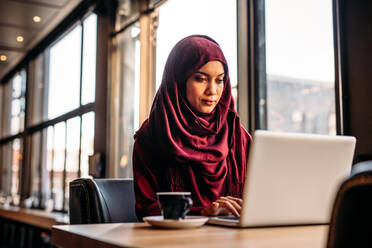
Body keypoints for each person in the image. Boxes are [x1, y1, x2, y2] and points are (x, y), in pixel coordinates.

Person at [132, 35, 251, 220]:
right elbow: (148, 211)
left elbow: (262, 198)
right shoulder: (153, 135)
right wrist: (204, 214)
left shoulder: (237, 135)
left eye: (219, 80)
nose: (212, 90)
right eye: (201, 78)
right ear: (178, 81)